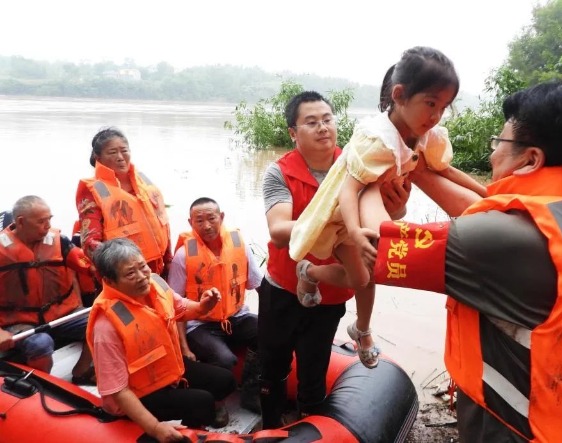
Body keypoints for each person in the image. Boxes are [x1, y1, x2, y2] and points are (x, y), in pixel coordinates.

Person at [373, 81, 562, 442]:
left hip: (518, 430)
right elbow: (484, 218)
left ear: (531, 159)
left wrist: (360, 175)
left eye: (499, 142)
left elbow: (373, 248)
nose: (493, 154)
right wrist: (415, 166)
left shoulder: (503, 242)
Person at [288, 46, 486, 368]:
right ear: (399, 96)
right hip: (340, 215)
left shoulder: (428, 135)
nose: (436, 115)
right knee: (361, 277)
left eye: (443, 107)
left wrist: (490, 194)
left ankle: (360, 327)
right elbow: (349, 190)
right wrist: (355, 230)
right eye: (431, 104)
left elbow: (445, 171)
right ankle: (308, 272)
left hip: (368, 211)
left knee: (368, 275)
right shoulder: (377, 139)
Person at [259, 90, 411, 428]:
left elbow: (382, 218)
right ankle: (269, 425)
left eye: (327, 119)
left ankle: (309, 427)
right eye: (311, 122)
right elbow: (279, 230)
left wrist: (398, 207)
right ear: (293, 133)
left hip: (330, 295)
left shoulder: (358, 165)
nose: (323, 127)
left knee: (314, 369)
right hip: (282, 289)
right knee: (272, 365)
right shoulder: (279, 172)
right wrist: (329, 222)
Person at [87, 238, 237, 442]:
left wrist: (203, 307)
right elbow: (118, 391)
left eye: (143, 267)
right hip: (138, 392)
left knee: (225, 380)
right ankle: (184, 433)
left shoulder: (155, 283)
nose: (142, 277)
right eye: (130, 274)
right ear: (110, 281)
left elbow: (180, 307)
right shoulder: (106, 325)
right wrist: (155, 428)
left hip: (166, 370)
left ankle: (189, 421)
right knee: (203, 402)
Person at [167, 197, 262, 413]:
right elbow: (174, 305)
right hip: (200, 325)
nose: (207, 226)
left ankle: (251, 391)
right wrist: (184, 348)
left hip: (236, 317)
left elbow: (259, 286)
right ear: (190, 223)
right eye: (199, 221)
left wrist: (275, 318)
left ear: (221, 217)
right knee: (224, 359)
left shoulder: (239, 246)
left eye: (211, 218)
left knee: (267, 334)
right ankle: (215, 404)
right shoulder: (183, 256)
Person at [0, 196, 95, 384]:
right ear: (21, 222)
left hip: (63, 314)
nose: (48, 225)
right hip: (21, 322)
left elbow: (88, 265)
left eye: (49, 219)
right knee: (40, 344)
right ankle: (41, 387)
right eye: (41, 221)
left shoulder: (60, 242)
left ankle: (82, 371)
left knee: (102, 321)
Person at [75, 127, 172, 277]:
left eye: (124, 151)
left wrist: (169, 261)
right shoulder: (93, 190)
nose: (120, 157)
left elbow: (163, 223)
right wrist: (122, 271)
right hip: (124, 275)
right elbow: (90, 243)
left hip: (157, 271)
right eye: (112, 152)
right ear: (98, 157)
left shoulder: (144, 183)